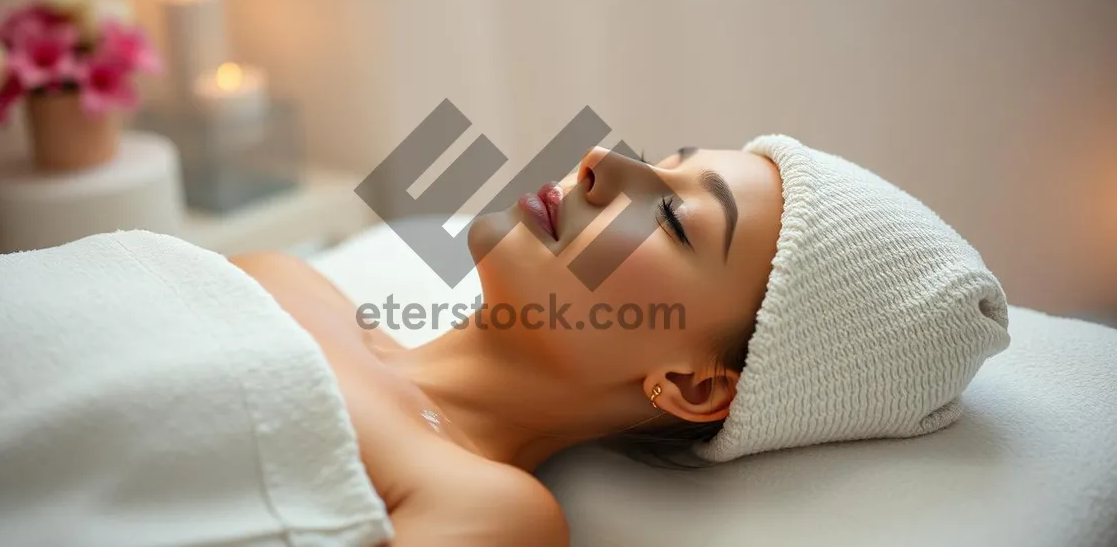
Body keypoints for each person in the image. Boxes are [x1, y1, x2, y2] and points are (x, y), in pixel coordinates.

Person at [230, 133, 1011, 546]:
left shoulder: (488, 512)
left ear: (694, 384)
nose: (601, 162)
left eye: (671, 219)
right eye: (661, 163)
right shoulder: (285, 279)